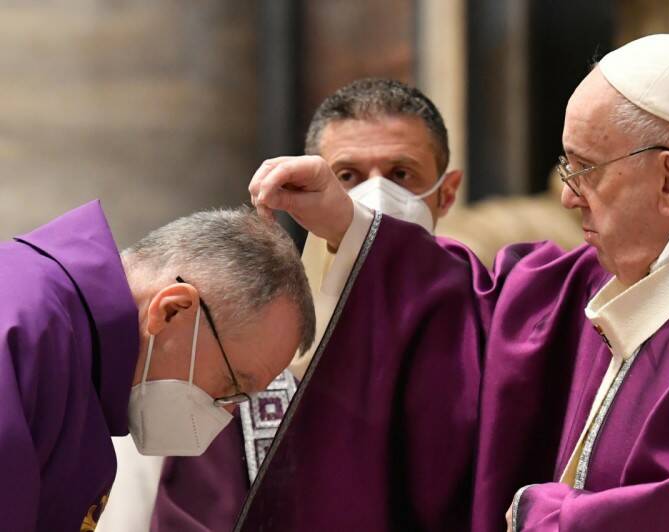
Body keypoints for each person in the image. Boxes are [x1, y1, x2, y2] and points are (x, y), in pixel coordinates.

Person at [242, 30, 669, 531]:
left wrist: (548, 517)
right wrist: (349, 222)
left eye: (585, 170)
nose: (566, 196)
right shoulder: (651, 256)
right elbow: (491, 322)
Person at [97, 78, 464, 531]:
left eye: (401, 174)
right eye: (346, 175)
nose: (375, 196)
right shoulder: (248, 327)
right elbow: (135, 489)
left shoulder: (471, 336)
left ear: (447, 193)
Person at [0, 200, 314, 531]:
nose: (225, 414)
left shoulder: (78, 362)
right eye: (230, 386)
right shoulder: (22, 331)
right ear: (172, 311)